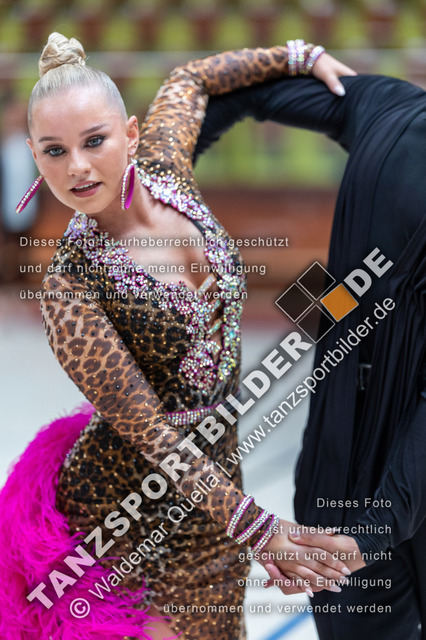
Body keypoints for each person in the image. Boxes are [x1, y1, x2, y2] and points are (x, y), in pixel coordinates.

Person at [0, 33, 359, 640]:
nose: (77, 166)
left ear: (131, 134)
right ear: (34, 156)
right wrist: (259, 528)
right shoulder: (69, 287)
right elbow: (154, 437)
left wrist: (300, 57)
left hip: (218, 496)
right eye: (55, 151)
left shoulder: (168, 167)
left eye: (94, 141)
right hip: (127, 516)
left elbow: (191, 79)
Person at [194, 67, 426, 639]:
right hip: (346, 491)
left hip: (356, 495)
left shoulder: (387, 106)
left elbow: (234, 90)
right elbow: (237, 90)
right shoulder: (386, 105)